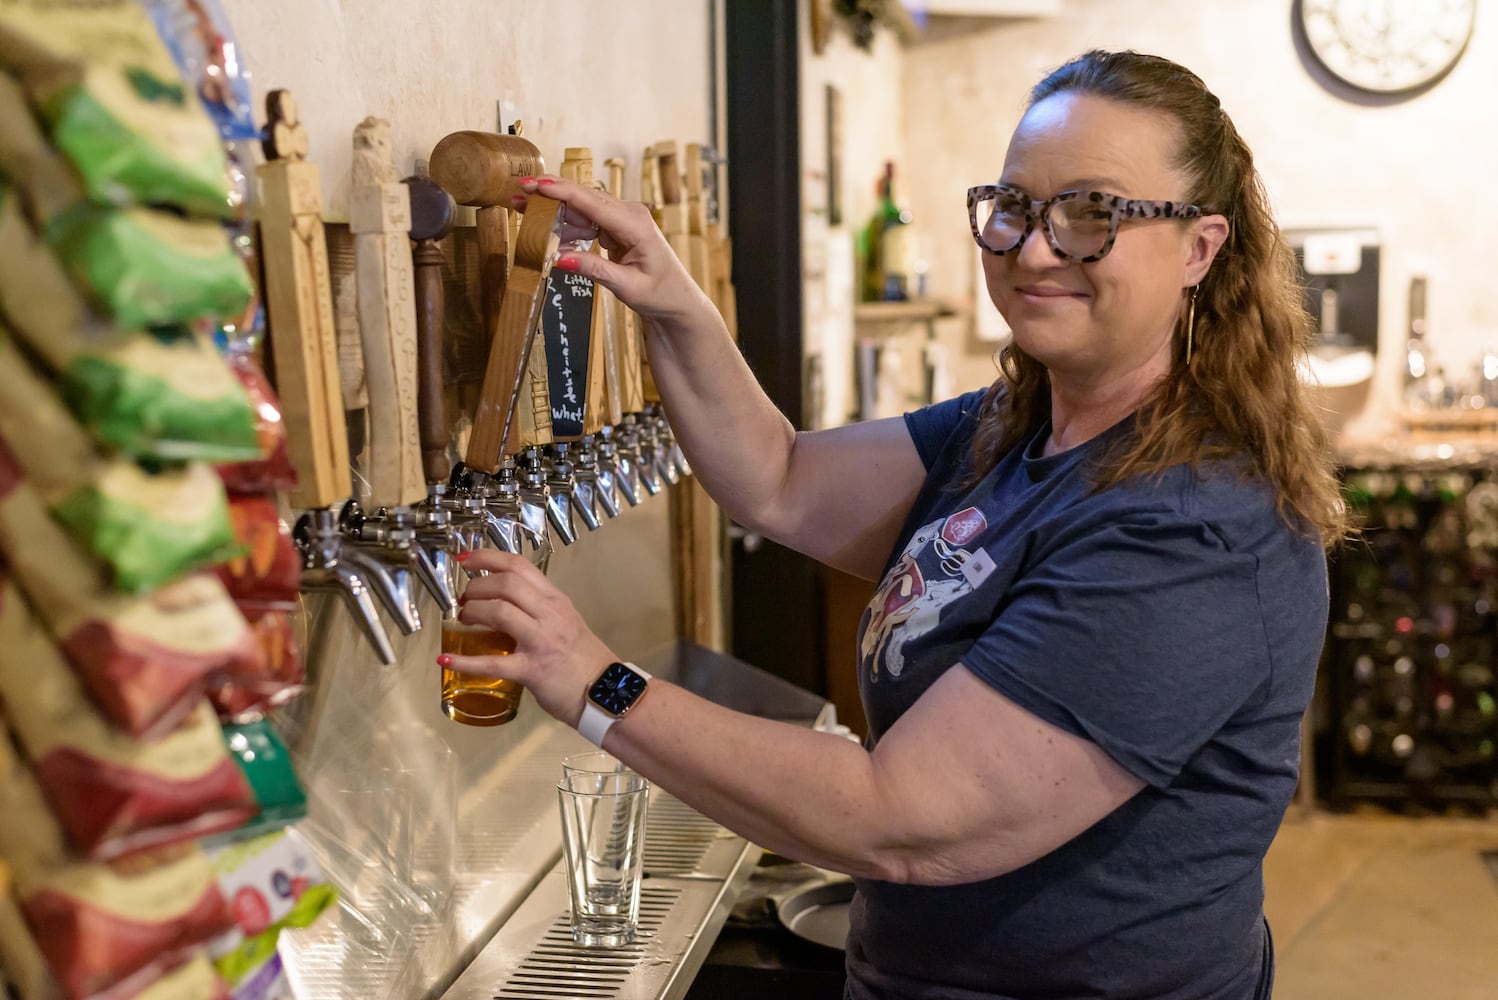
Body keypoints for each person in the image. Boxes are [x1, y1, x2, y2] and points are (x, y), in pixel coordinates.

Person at [442, 49, 1347, 1000]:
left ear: (1200, 248)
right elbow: (780, 480)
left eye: (1093, 216)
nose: (1034, 248)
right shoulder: (1012, 427)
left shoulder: (1193, 530)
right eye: (1016, 206)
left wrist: (596, 682)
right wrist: (671, 301)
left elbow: (903, 820)